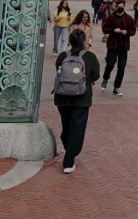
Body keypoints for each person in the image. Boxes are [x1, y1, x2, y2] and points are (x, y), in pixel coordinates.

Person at [54, 28, 100, 174]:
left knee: (66, 126)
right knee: (77, 129)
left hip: (62, 97)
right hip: (81, 98)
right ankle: (69, 160)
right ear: (83, 42)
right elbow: (96, 75)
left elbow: (58, 71)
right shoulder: (90, 57)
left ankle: (69, 151)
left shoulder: (62, 56)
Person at [100, 0, 136, 96]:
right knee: (110, 64)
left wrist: (127, 32)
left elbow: (133, 31)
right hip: (113, 45)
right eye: (118, 6)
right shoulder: (111, 17)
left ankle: (117, 87)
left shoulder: (128, 18)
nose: (120, 8)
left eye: (122, 6)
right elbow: (104, 28)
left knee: (121, 67)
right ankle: (105, 78)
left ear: (124, 6)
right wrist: (113, 30)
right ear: (116, 7)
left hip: (123, 46)